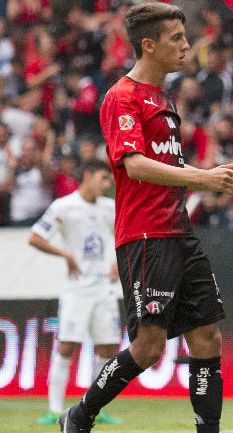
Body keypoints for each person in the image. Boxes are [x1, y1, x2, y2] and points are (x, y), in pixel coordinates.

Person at [58, 4, 233, 433]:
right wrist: (204, 178)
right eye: (177, 38)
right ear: (149, 45)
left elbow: (169, 166)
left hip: (179, 232)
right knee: (150, 346)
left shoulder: (163, 98)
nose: (187, 45)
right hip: (145, 235)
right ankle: (79, 416)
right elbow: (134, 166)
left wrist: (224, 179)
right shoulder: (122, 97)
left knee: (208, 337)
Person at [31, 160, 122, 426]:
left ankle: (96, 407)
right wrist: (66, 254)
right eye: (104, 179)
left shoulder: (110, 208)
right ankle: (54, 409)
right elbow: (35, 237)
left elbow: (122, 236)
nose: (107, 185)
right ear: (89, 175)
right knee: (67, 345)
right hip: (76, 288)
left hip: (104, 287)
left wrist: (117, 260)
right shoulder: (63, 206)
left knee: (107, 347)